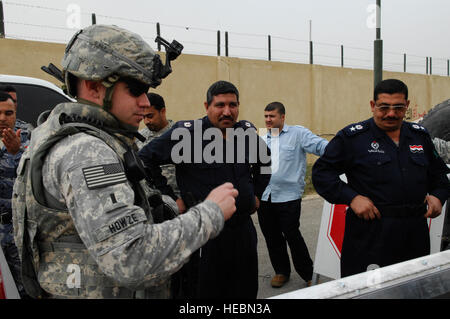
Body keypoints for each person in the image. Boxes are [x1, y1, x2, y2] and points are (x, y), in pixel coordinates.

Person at [11, 24, 239, 299]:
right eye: (135, 89)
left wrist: (162, 206)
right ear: (94, 87)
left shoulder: (54, 132)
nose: (145, 102)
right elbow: (132, 258)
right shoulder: (86, 151)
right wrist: (210, 213)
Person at [139, 80, 271, 298]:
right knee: (204, 293)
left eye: (233, 105)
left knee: (245, 290)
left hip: (243, 231)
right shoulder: (187, 135)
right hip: (204, 233)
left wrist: (256, 194)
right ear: (206, 106)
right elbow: (145, 160)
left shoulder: (245, 134)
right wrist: (170, 198)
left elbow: (264, 161)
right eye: (220, 105)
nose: (227, 111)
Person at [312, 79, 450, 277]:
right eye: (384, 107)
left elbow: (439, 177)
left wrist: (438, 196)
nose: (391, 113)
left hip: (414, 232)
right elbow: (321, 173)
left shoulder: (419, 136)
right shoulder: (353, 138)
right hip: (371, 233)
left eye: (398, 107)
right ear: (372, 105)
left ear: (407, 106)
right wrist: (352, 198)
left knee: (412, 287)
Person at [258, 101, 328, 288]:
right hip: (265, 196)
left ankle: (308, 274)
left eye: (272, 116)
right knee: (272, 237)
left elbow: (322, 147)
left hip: (288, 197)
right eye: (265, 116)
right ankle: (281, 271)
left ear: (282, 117)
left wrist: (340, 155)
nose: (268, 120)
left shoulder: (298, 134)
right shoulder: (263, 137)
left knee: (292, 236)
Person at [0, 91, 31, 298]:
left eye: (8, 113)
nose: (3, 118)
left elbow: (39, 173)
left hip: (17, 232)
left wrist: (16, 152)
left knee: (25, 288)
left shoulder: (28, 137)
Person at [136, 93, 181, 207]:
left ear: (163, 111)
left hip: (179, 201)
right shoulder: (139, 139)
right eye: (143, 117)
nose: (146, 121)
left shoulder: (178, 135)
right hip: (153, 202)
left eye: (150, 116)